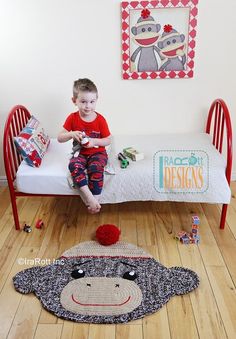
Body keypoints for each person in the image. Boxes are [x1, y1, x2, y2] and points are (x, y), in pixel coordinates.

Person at [57, 78, 111, 214]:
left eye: (92, 102)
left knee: (96, 167)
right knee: (73, 165)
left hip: (97, 153)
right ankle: (89, 198)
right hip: (80, 153)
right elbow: (59, 138)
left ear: (96, 100)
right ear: (74, 101)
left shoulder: (100, 119)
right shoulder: (72, 118)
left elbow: (108, 140)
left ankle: (95, 200)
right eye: (83, 102)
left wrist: (95, 142)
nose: (88, 106)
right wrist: (71, 134)